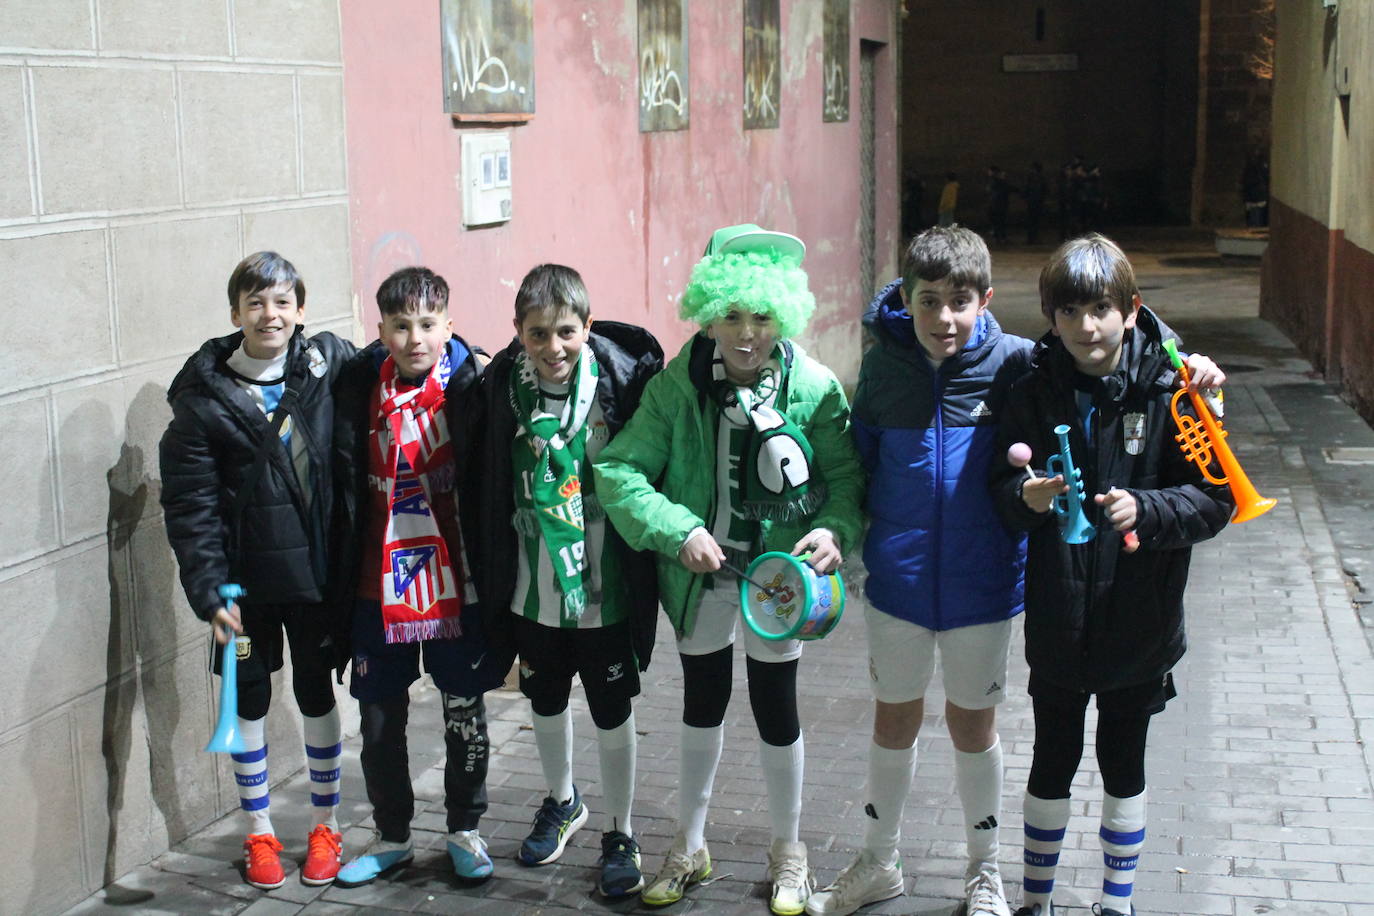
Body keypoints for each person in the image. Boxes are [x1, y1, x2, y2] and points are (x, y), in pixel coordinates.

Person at [806, 227, 1227, 916]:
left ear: (986, 300)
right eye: (929, 301)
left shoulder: (1014, 364)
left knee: (978, 730)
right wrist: (840, 530)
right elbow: (856, 471)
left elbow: (1124, 336)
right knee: (893, 721)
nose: (945, 317)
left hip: (986, 585)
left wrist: (1190, 362)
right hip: (898, 583)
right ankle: (878, 861)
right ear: (905, 300)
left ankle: (986, 875)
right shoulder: (887, 368)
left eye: (961, 301)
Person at [594, 224, 864, 915]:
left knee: (778, 707)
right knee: (700, 705)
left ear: (786, 317)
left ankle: (789, 851)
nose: (746, 334)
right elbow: (620, 470)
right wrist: (678, 529)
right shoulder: (676, 386)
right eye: (733, 316)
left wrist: (834, 531)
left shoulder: (814, 389)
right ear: (709, 313)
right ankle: (689, 844)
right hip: (701, 579)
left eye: (763, 317)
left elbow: (843, 481)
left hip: (779, 581)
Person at [991, 234, 1233, 916]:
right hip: (1059, 621)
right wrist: (1024, 499)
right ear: (1051, 316)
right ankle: (1035, 902)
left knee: (1124, 763)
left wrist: (1146, 508)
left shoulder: (1175, 392)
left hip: (1140, 622)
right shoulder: (1034, 389)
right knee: (1052, 761)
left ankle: (1116, 904)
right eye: (1069, 312)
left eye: (1100, 308)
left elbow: (1216, 501)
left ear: (1131, 310)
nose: (1085, 326)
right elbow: (999, 495)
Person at [160, 251, 354, 890]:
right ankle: (261, 833)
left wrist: (467, 353)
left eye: (281, 302)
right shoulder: (202, 401)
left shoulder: (329, 368)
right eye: (255, 302)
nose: (269, 314)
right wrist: (210, 591)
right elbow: (192, 509)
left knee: (317, 693)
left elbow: (407, 355)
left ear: (300, 310)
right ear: (236, 312)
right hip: (244, 595)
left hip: (316, 582)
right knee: (248, 700)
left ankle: (326, 824)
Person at [478, 263, 664, 897]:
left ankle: (621, 830)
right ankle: (563, 801)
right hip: (533, 585)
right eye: (537, 334)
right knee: (545, 698)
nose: (552, 348)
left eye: (564, 332)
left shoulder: (621, 383)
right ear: (518, 335)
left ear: (587, 325)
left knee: (613, 709)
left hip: (604, 585)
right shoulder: (503, 387)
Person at [328, 266, 511, 887]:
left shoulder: (472, 389)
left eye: (427, 325)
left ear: (448, 327)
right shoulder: (355, 386)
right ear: (378, 329)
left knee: (464, 707)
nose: (414, 338)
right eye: (400, 326)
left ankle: (465, 829)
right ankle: (393, 836)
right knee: (379, 719)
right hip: (376, 589)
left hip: (456, 585)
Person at [1023, 162, 1046, 245]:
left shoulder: (1031, 179)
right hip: (1037, 202)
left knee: (1032, 221)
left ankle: (1031, 239)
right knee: (1035, 221)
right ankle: (1033, 238)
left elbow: (1026, 190)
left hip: (1033, 202)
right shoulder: (1041, 179)